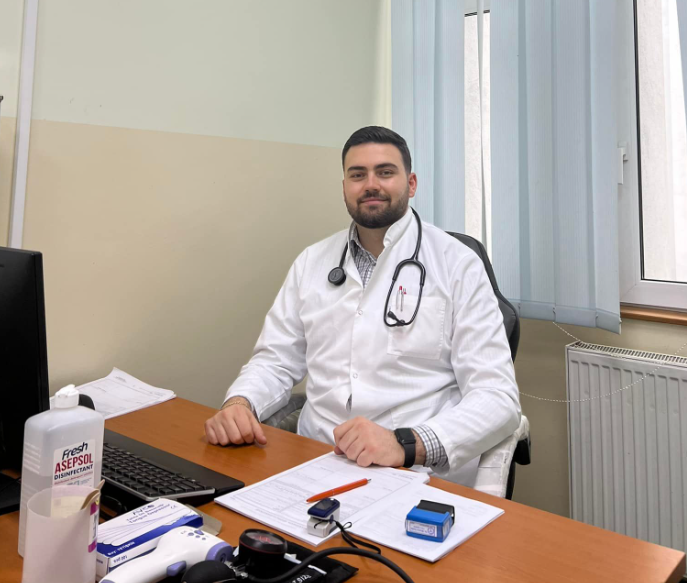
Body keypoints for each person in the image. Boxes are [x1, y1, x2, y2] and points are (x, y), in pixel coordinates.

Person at [204, 126, 520, 485]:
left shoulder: (457, 264)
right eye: (358, 175)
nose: (371, 184)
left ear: (411, 184)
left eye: (385, 172)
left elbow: (497, 398)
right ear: (344, 187)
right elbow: (275, 360)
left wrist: (406, 444)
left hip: (417, 471)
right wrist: (240, 403)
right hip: (315, 462)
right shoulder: (312, 261)